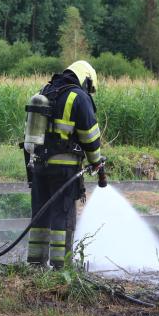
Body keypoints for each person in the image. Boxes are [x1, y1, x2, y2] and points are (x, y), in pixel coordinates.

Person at [26, 61, 103, 269]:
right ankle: (61, 268)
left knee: (40, 215)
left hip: (39, 167)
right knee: (63, 217)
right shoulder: (78, 97)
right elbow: (90, 136)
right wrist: (96, 162)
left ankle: (35, 263)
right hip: (65, 170)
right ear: (85, 79)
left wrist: (30, 173)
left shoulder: (44, 92)